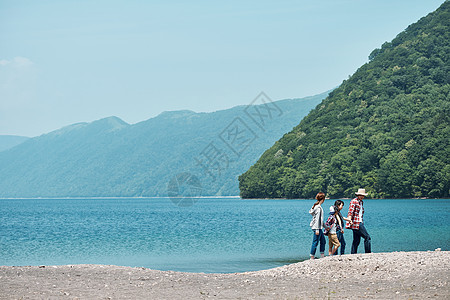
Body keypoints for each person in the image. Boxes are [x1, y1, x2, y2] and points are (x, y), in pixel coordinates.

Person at [346, 188, 371, 254]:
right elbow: (350, 212)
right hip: (356, 223)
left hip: (359, 222)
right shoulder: (354, 201)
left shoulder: (361, 202)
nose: (362, 197)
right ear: (358, 195)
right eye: (361, 195)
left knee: (356, 240)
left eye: (363, 195)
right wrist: (349, 220)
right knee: (367, 237)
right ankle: (368, 253)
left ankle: (353, 254)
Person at [309, 192, 326, 259]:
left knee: (323, 241)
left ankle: (322, 255)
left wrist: (325, 227)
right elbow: (317, 219)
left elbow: (320, 220)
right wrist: (317, 229)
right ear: (323, 199)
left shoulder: (316, 207)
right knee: (315, 242)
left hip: (318, 227)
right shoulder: (318, 208)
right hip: (317, 227)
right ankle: (312, 256)